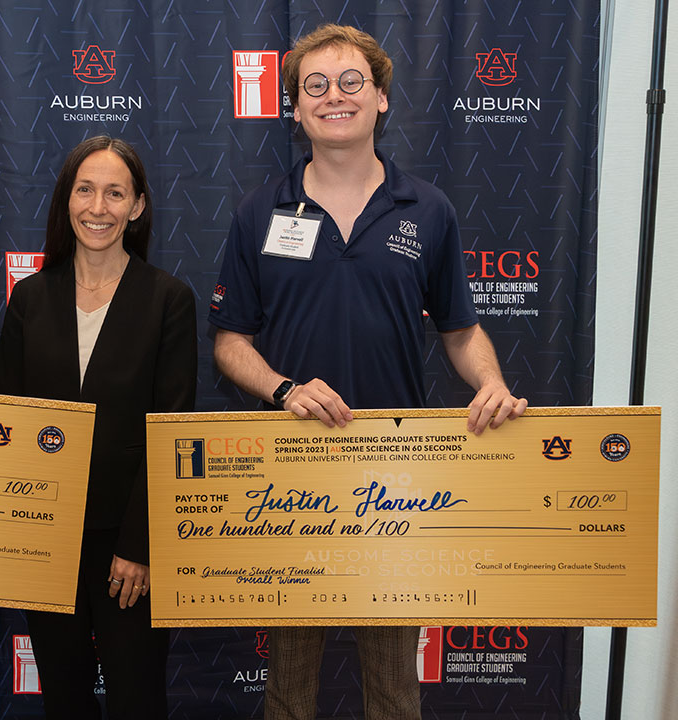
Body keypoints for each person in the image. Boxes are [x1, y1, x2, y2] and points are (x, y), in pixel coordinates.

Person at [208, 24, 528, 720]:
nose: (333, 97)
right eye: (314, 86)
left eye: (351, 81)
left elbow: (461, 329)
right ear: (294, 109)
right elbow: (230, 342)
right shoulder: (260, 211)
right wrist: (284, 389)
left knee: (393, 690)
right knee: (289, 691)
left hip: (399, 474)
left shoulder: (429, 210)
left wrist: (492, 384)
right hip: (291, 477)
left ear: (381, 97)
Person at [0, 136, 197, 719]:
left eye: (115, 193)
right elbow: (6, 419)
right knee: (64, 697)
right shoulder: (30, 297)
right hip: (45, 539)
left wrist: (140, 546)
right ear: (66, 200)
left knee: (136, 698)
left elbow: (170, 432)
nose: (98, 207)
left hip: (128, 547)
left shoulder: (167, 301)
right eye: (85, 190)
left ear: (137, 206)